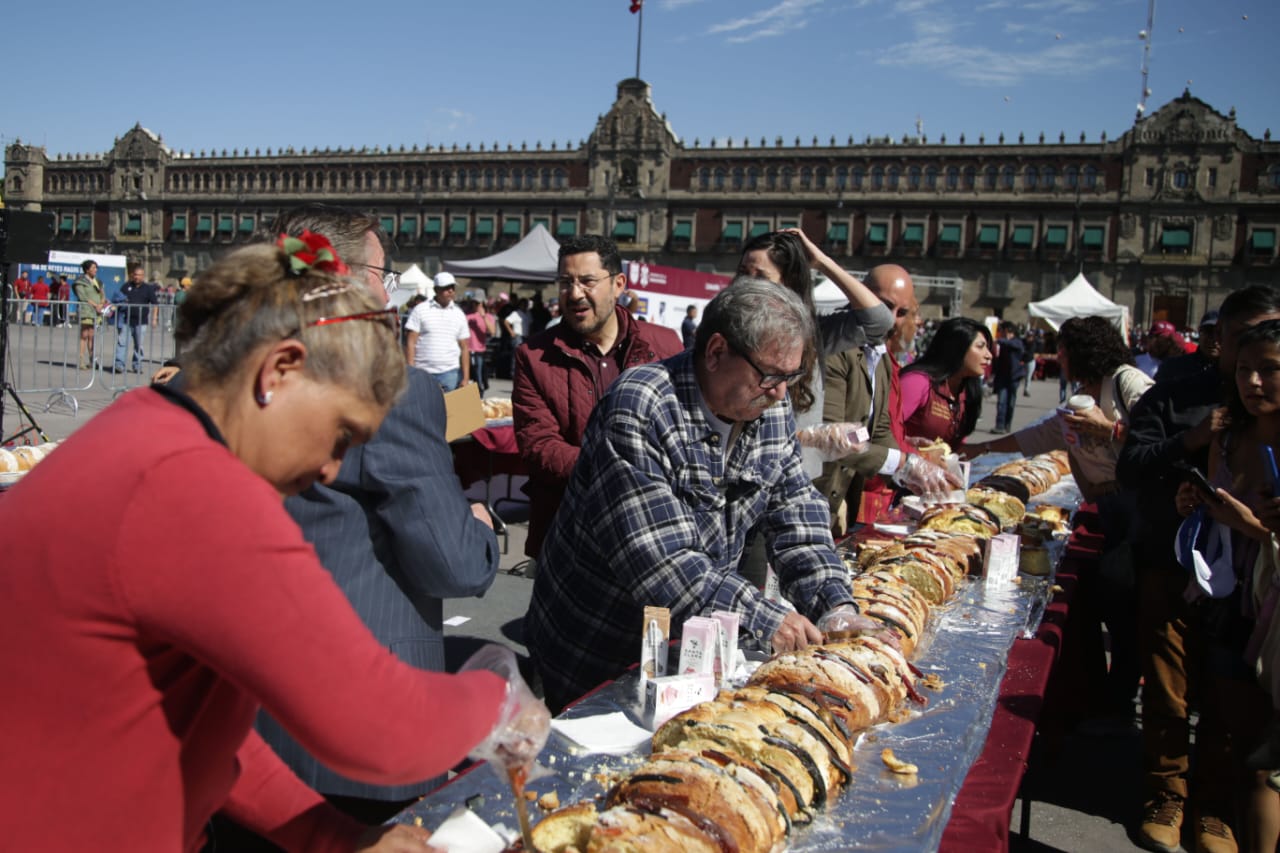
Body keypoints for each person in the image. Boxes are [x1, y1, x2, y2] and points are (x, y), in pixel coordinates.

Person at [0, 234, 548, 852]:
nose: (332, 470)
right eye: (341, 433)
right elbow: (379, 726)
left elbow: (206, 731)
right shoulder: (191, 486)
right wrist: (502, 699)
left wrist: (333, 837)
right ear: (279, 370)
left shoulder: (146, 432)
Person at [244, 206, 502, 830]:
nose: (389, 293)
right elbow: (451, 561)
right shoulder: (389, 386)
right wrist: (483, 529)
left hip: (245, 721)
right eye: (381, 275)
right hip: (362, 726)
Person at [525, 279, 863, 712]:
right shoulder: (640, 405)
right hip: (596, 643)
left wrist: (834, 602)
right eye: (771, 375)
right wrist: (766, 617)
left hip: (688, 644)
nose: (781, 392)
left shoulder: (770, 408)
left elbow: (797, 514)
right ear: (717, 351)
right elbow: (661, 562)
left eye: (791, 376)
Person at [1117, 285, 1280, 853]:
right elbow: (1132, 467)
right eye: (1243, 344)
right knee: (1167, 692)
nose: (1253, 366)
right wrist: (1190, 445)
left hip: (1253, 590)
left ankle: (1213, 806)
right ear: (1221, 341)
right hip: (1172, 566)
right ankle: (1166, 795)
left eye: (1269, 345)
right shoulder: (1175, 393)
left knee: (1228, 698)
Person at [965, 316, 1154, 739]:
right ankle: (1111, 693)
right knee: (1114, 597)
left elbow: (1163, 431)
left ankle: (1119, 697)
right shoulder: (1081, 396)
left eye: (1065, 349)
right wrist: (982, 448)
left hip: (1137, 505)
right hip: (1109, 505)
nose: (1060, 357)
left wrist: (1111, 430)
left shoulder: (1127, 382)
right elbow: (1040, 435)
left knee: (1122, 597)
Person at [1172, 318, 1280, 853]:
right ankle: (1217, 818)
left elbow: (1259, 529)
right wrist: (1191, 507)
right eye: (1244, 370)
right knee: (1250, 750)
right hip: (1231, 605)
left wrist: (1251, 526)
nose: (1253, 382)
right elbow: (1212, 515)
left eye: (1269, 369)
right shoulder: (1229, 435)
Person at [513, 235, 682, 570]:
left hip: (655, 536)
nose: (575, 294)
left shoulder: (665, 347)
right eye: (565, 283)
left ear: (618, 283)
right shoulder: (533, 356)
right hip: (568, 536)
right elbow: (539, 445)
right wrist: (620, 472)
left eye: (587, 281)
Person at [737, 228, 892, 475]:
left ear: (788, 284)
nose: (747, 285)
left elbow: (879, 321)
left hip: (797, 480)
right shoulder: (727, 334)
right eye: (743, 273)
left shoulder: (813, 333)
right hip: (743, 477)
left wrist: (822, 262)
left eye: (761, 277)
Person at [815, 264, 951, 532]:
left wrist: (907, 469)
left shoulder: (881, 355)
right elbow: (830, 434)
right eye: (885, 306)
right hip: (808, 493)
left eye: (902, 313)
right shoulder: (836, 349)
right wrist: (904, 463)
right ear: (861, 295)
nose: (892, 320)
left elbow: (879, 429)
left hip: (837, 497)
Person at [898, 317, 993, 447]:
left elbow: (956, 447)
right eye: (980, 347)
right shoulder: (917, 382)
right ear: (957, 348)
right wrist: (911, 450)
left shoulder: (967, 391)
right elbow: (885, 431)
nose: (989, 355)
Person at [404, 271, 469, 391]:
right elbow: (410, 342)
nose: (451, 291)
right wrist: (411, 371)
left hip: (450, 373)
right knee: (423, 408)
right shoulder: (420, 310)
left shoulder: (459, 314)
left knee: (448, 410)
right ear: (436, 290)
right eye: (446, 288)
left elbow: (464, 347)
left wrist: (465, 378)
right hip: (423, 372)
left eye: (452, 287)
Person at [113, 265, 159, 373]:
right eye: (135, 275)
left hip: (141, 322)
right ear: (132, 275)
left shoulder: (148, 288)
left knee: (139, 345)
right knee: (122, 343)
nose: (137, 277)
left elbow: (155, 304)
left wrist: (154, 318)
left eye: (139, 275)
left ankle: (137, 365)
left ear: (143, 276)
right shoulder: (126, 286)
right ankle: (119, 364)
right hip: (126, 320)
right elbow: (118, 300)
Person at [1156, 309, 1221, 384]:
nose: (1214, 339)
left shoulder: (1233, 373)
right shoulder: (1173, 368)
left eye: (1220, 333)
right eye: (1209, 332)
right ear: (1199, 332)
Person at [990, 322, 1026, 433]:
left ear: (1009, 331)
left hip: (1014, 377)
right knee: (1001, 402)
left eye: (1003, 330)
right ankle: (999, 425)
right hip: (1002, 377)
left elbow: (1015, 346)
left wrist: (998, 340)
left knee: (1010, 403)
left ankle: (1007, 424)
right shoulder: (1003, 344)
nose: (1001, 333)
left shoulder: (1017, 342)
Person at [72, 259, 107, 370]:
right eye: (93, 268)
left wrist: (101, 304)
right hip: (86, 311)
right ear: (87, 270)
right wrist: (95, 305)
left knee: (92, 336)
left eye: (96, 268)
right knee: (84, 335)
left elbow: (102, 295)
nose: (95, 270)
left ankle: (92, 360)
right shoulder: (80, 282)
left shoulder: (98, 282)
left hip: (96, 312)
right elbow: (83, 297)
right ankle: (81, 360)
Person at [464, 296, 495, 394]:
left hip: (479, 351)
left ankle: (479, 394)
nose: (477, 305)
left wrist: (483, 316)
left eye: (479, 303)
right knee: (465, 377)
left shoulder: (489, 317)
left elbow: (492, 331)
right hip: (466, 350)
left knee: (479, 377)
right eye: (475, 303)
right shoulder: (466, 315)